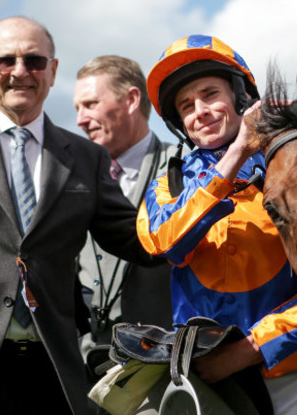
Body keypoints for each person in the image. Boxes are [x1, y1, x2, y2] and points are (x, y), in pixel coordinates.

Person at [0, 16, 152, 415]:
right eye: (5, 61)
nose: (20, 72)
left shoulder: (86, 157)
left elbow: (137, 240)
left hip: (53, 370)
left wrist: (215, 195)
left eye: (34, 61)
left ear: (52, 71)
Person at [136, 35, 297, 414]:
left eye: (210, 94)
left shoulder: (294, 166)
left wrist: (249, 350)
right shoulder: (168, 182)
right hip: (202, 376)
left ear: (242, 98)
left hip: (288, 374)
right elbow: (164, 244)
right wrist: (236, 154)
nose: (200, 111)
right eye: (186, 105)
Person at [73, 55, 178, 370]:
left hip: (161, 369)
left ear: (132, 99)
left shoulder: (185, 171)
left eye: (90, 104)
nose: (80, 119)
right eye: (77, 108)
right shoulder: (69, 178)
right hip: (85, 369)